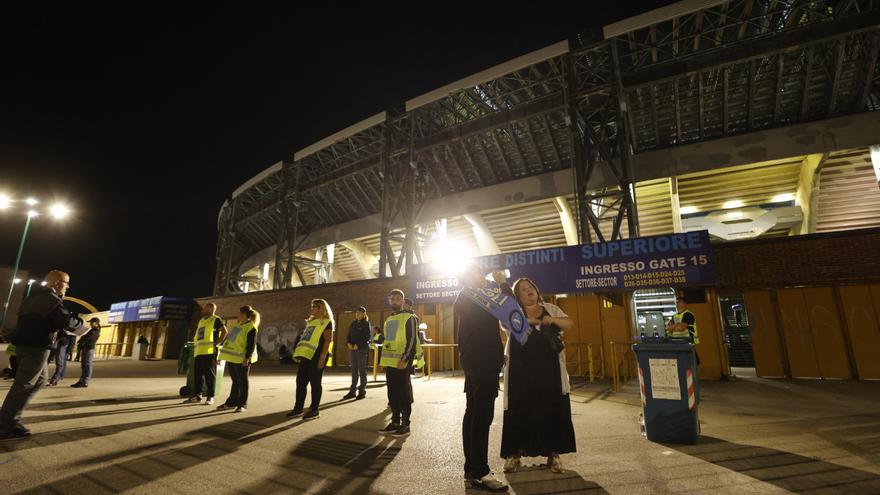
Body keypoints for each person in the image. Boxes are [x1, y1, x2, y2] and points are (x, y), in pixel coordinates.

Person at [502, 277, 576, 474]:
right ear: (518, 296)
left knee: (550, 408)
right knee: (519, 408)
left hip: (548, 371)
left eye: (531, 287)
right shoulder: (515, 312)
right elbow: (508, 324)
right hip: (521, 369)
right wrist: (533, 321)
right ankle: (514, 454)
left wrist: (552, 320)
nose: (529, 291)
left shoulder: (550, 308)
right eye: (523, 290)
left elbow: (568, 323)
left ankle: (554, 454)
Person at [0, 270, 83, 440]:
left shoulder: (31, 298)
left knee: (40, 381)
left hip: (23, 345)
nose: (68, 287)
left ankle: (11, 419)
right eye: (67, 283)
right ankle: (4, 425)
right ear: (58, 283)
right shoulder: (51, 300)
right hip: (36, 347)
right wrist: (82, 325)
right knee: (23, 385)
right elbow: (67, 321)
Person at [455, 265, 510, 492]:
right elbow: (509, 307)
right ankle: (480, 471)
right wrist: (502, 282)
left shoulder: (467, 297)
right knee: (482, 415)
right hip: (481, 361)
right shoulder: (475, 295)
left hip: (476, 360)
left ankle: (472, 469)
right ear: (469, 276)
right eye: (479, 272)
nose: (484, 276)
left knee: (473, 413)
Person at [377, 289, 420, 437]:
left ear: (402, 301)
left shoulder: (410, 317)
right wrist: (383, 361)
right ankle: (395, 422)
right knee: (392, 393)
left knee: (403, 394)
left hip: (402, 362)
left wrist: (405, 359)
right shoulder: (389, 320)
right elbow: (388, 342)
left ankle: (405, 424)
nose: (394, 301)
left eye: (397, 298)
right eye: (392, 298)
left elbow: (412, 340)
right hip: (390, 363)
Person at [288, 299, 334, 420]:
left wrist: (322, 357)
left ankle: (314, 410)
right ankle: (298, 409)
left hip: (318, 356)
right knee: (301, 382)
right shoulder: (311, 322)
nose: (312, 308)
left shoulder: (327, 322)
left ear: (321, 309)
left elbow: (328, 341)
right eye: (312, 306)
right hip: (306, 356)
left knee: (315, 383)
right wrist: (299, 353)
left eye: (314, 307)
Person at [217, 306, 259, 413]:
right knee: (236, 381)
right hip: (232, 358)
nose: (237, 315)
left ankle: (243, 404)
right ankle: (232, 402)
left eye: (239, 313)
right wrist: (221, 357)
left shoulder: (251, 328)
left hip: (242, 359)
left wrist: (246, 358)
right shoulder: (237, 326)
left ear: (244, 315)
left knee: (243, 382)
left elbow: (251, 345)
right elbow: (229, 342)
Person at [184, 303, 227, 404]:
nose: (203, 309)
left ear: (211, 309)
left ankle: (210, 396)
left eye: (206, 308)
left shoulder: (216, 319)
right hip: (199, 352)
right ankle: (197, 395)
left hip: (210, 352)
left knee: (210, 375)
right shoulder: (202, 320)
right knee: (197, 375)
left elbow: (225, 331)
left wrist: (218, 343)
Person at [343, 306, 370, 400]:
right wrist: (348, 343)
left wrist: (358, 344)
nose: (357, 314)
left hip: (361, 349)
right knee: (354, 370)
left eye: (359, 313)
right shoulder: (353, 323)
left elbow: (367, 337)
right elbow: (348, 335)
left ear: (364, 314)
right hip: (353, 350)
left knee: (362, 370)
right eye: (356, 313)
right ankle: (352, 391)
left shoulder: (366, 324)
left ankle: (362, 392)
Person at [667, 296, 700, 365]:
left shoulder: (688, 315)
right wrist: (676, 325)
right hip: (677, 343)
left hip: (687, 342)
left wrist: (674, 327)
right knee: (682, 363)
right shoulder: (675, 316)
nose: (677, 304)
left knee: (691, 363)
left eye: (679, 302)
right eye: (676, 303)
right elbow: (668, 328)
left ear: (685, 304)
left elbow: (680, 328)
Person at [70, 317, 102, 388]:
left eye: (92, 322)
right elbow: (86, 337)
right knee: (84, 365)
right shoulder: (92, 330)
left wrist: (83, 340)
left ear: (96, 323)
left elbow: (90, 339)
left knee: (87, 365)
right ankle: (81, 380)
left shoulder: (96, 330)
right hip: (86, 348)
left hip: (89, 349)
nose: (90, 323)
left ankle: (85, 382)